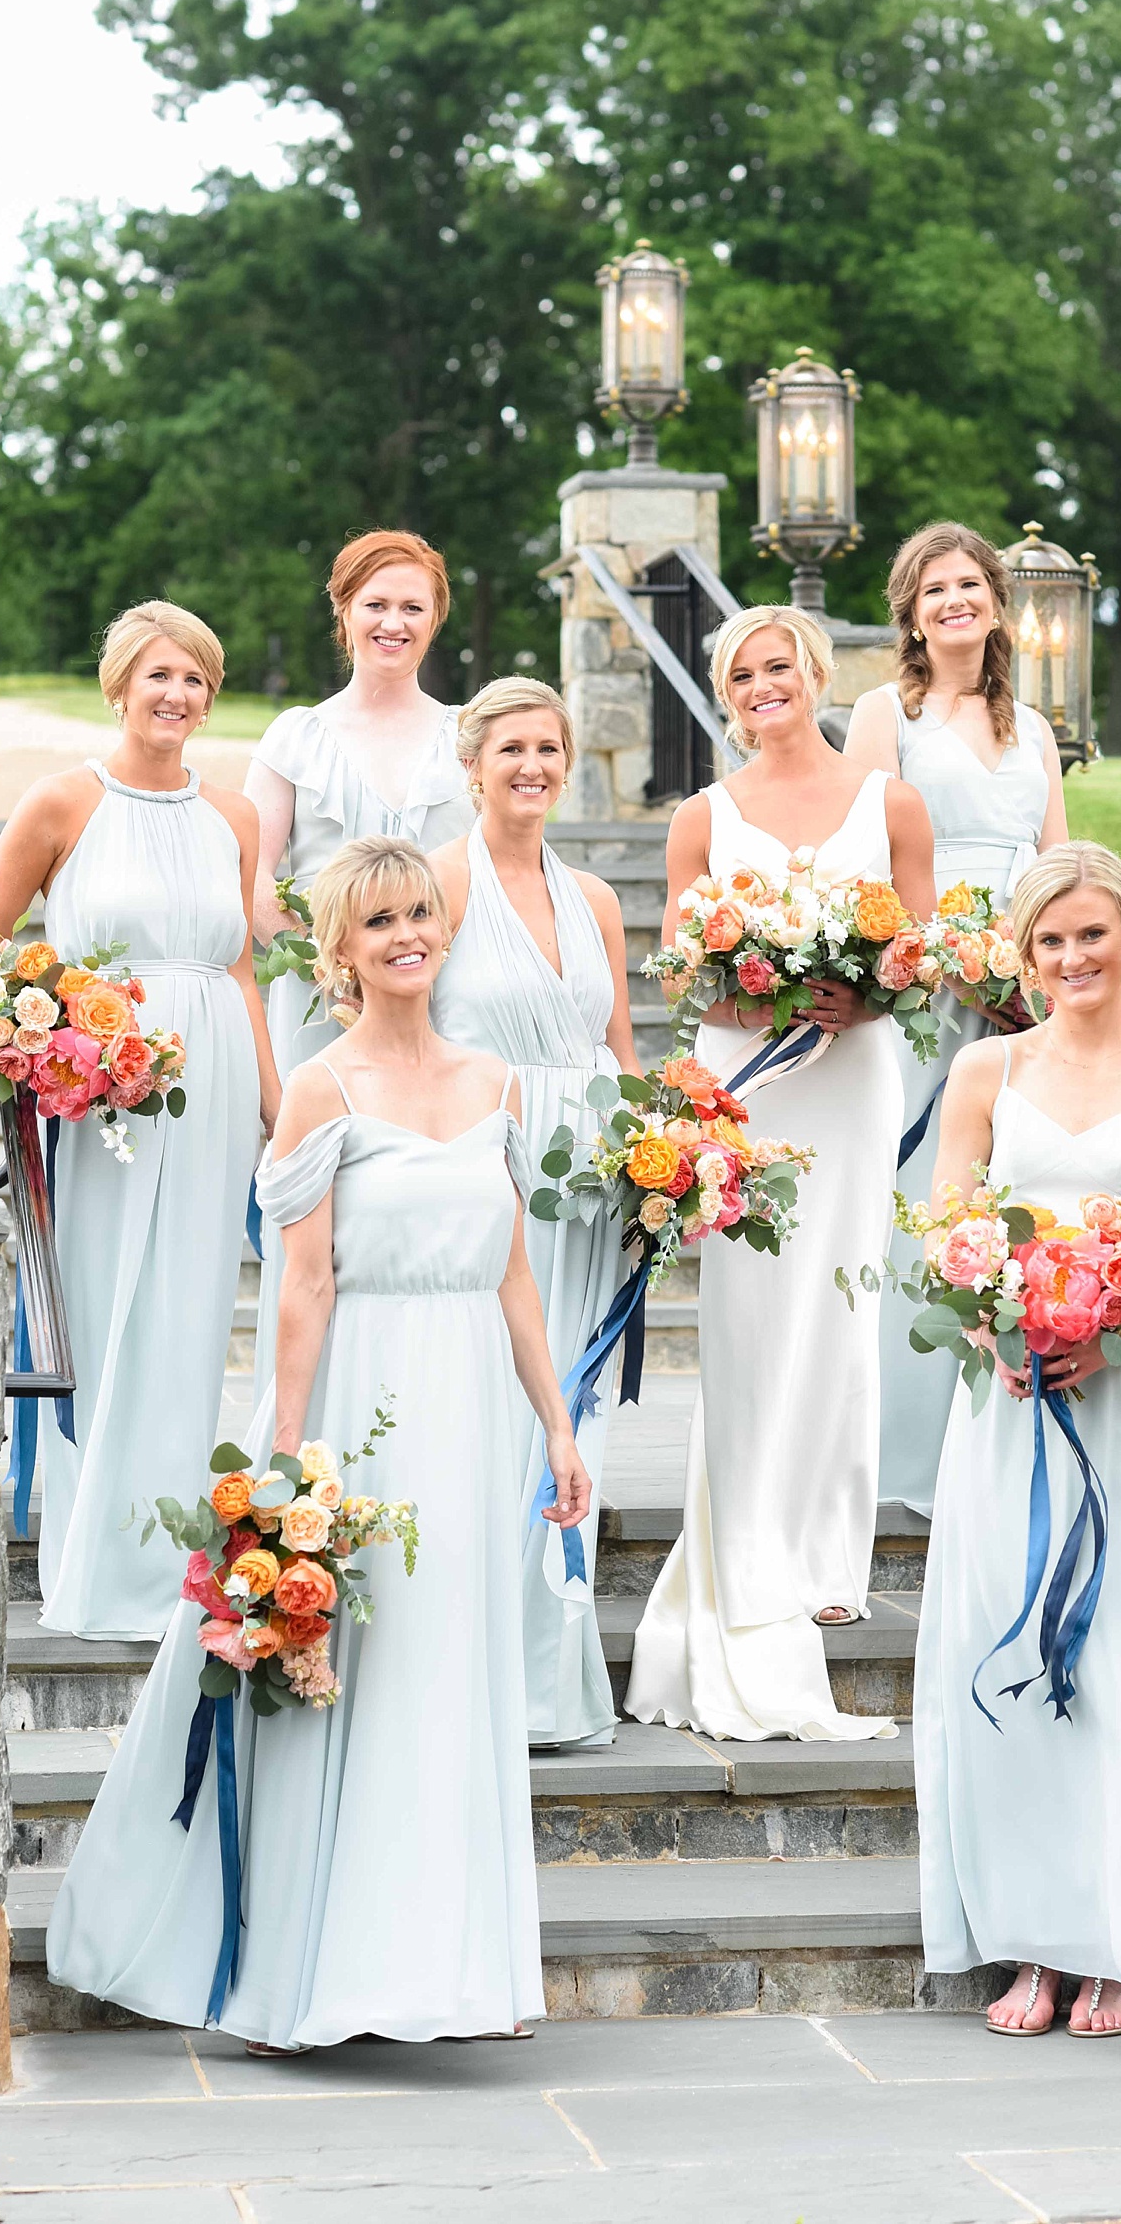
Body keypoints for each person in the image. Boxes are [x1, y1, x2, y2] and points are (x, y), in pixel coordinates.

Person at [46, 837, 593, 2050]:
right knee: (344, 1670)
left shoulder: (496, 1081)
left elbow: (513, 1277)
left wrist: (555, 1423)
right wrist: (287, 1456)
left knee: (447, 1672)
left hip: (471, 1417)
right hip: (358, 1407)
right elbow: (301, 1288)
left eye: (421, 914)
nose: (408, 933)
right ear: (340, 948)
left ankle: (445, 1961)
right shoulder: (319, 1085)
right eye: (381, 919)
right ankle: (316, 1965)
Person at [916, 843, 1121, 2036]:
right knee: (1003, 1649)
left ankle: (1113, 1947)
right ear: (1023, 951)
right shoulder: (984, 1069)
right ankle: (1030, 1944)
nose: (1071, 958)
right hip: (1004, 1404)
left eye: (1091, 934)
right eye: (1049, 940)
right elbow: (946, 1222)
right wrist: (990, 1316)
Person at [625, 604, 936, 1742]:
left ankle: (827, 1550)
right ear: (727, 690)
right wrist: (749, 989)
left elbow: (922, 951)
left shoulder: (888, 801)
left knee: (843, 1297)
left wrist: (869, 991)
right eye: (742, 673)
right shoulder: (698, 817)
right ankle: (749, 1525)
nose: (764, 686)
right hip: (747, 1075)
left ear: (813, 674)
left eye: (779, 667)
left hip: (851, 1074)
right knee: (754, 1308)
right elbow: (677, 976)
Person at [0, 602, 278, 1640]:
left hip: (213, 1089)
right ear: (118, 684)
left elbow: (237, 965)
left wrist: (275, 1098)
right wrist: (54, 1041)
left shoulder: (233, 816)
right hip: (99, 1097)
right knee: (103, 1315)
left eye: (194, 677)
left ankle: (166, 1560)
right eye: (158, 674)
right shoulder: (62, 802)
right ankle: (91, 1568)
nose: (175, 695)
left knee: (190, 1315)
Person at [431, 677, 637, 1749]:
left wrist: (661, 1165)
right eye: (511, 746)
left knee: (572, 1412)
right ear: (471, 763)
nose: (532, 764)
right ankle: (475, 1675)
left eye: (548, 746)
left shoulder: (595, 899)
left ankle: (550, 1680)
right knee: (498, 1404)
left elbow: (622, 1054)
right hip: (493, 1168)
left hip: (593, 1182)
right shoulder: (438, 883)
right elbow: (391, 1026)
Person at [846, 524, 1067, 1512]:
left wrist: (1038, 970)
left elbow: (1058, 865)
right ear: (910, 609)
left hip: (1027, 996)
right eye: (933, 587)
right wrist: (949, 957)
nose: (952, 601)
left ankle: (1001, 1430)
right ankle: (901, 1453)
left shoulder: (1032, 729)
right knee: (918, 1204)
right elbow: (862, 870)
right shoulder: (881, 716)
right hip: (922, 996)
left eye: (968, 583)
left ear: (995, 601)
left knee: (1014, 1196)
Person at [245, 530, 474, 1087]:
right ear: (343, 610)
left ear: (434, 620)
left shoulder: (471, 735)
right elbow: (249, 872)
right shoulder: (295, 736)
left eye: (412, 608)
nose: (393, 624)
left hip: (449, 992)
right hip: (322, 1002)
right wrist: (328, 966)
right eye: (376, 605)